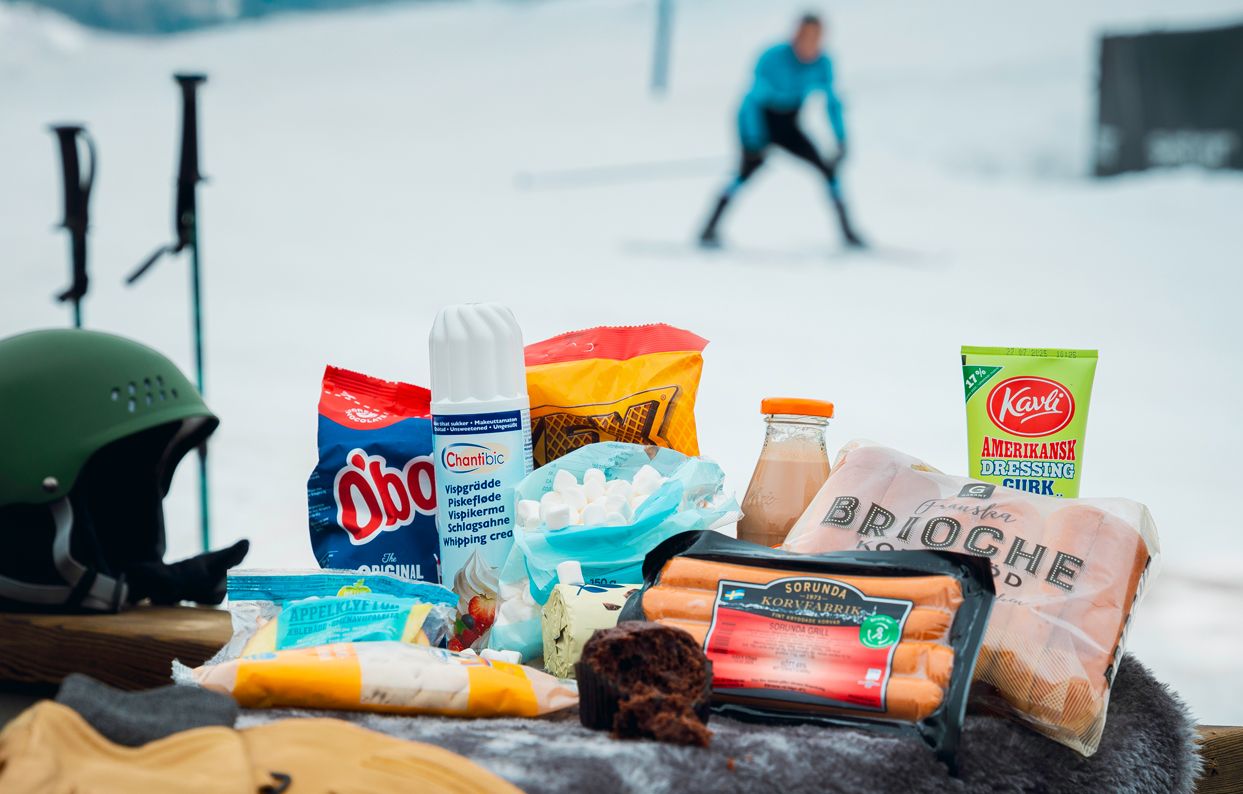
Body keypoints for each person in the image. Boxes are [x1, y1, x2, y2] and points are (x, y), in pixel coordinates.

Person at [699, 13, 863, 248]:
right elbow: (752, 102)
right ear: (796, 34)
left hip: (789, 124)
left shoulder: (823, 64)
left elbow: (831, 103)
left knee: (828, 171)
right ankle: (708, 229)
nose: (810, 43)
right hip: (758, 121)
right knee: (743, 174)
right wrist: (754, 141)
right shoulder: (772, 58)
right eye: (805, 36)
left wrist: (841, 139)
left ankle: (849, 234)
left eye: (816, 37)